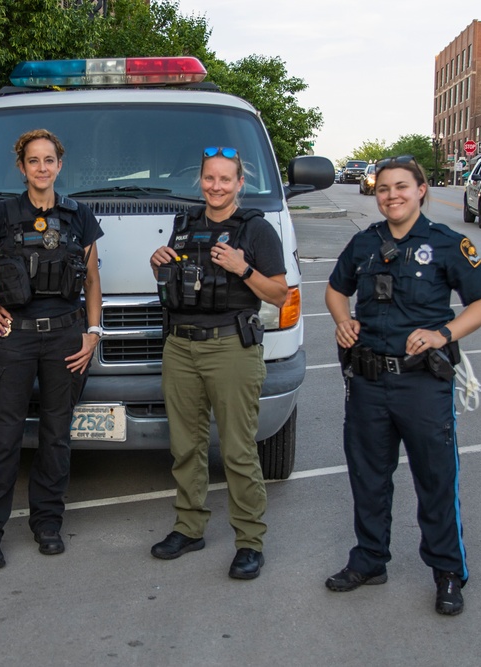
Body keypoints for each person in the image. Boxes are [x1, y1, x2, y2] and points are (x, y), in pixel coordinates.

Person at [323, 155, 481, 616]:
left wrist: (445, 333)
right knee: (368, 477)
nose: (392, 195)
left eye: (401, 186)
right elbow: (336, 289)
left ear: (421, 190)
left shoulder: (445, 244)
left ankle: (447, 573)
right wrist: (343, 321)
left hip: (421, 385)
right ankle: (370, 559)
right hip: (366, 382)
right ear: (374, 193)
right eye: (383, 188)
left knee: (435, 480)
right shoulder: (364, 243)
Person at [0, 129, 103, 569]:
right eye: (33, 161)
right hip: (14, 337)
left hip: (65, 337)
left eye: (49, 160)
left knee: (56, 435)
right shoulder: (2, 214)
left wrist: (93, 332)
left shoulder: (79, 216)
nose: (42, 168)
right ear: (21, 168)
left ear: (60, 166)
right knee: (3, 435)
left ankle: (47, 524)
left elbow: (93, 279)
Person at [148, 146, 288, 580]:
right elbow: (175, 282)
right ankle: (189, 528)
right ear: (201, 181)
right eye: (210, 178)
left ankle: (249, 541)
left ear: (240, 184)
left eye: (225, 179)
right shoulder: (184, 226)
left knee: (237, 449)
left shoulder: (256, 230)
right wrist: (158, 264)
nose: (216, 186)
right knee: (185, 446)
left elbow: (279, 293)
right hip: (180, 347)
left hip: (230, 348)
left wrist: (243, 269)